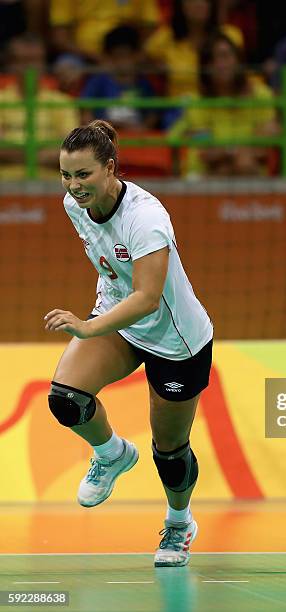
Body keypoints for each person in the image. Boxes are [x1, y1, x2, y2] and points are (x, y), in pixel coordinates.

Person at [44, 120, 213, 567]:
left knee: (170, 452)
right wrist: (97, 322)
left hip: (176, 340)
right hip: (119, 321)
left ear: (110, 169)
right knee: (67, 400)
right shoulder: (72, 205)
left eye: (84, 175)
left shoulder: (147, 217)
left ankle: (179, 524)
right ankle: (112, 454)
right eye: (66, 175)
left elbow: (147, 297)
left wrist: (86, 327)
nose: (74, 186)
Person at [169, 32, 278, 177]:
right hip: (206, 173)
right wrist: (234, 151)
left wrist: (229, 152)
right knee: (225, 168)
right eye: (212, 60)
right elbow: (206, 153)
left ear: (238, 60)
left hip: (252, 168)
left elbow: (268, 139)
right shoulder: (197, 102)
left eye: (225, 56)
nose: (220, 64)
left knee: (244, 164)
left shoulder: (260, 94)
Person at [0, 34, 79, 180]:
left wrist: (20, 154)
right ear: (11, 65)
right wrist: (40, 155)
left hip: (52, 185)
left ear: (43, 64)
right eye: (22, 61)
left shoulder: (62, 102)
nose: (29, 67)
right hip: (5, 184)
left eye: (35, 60)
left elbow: (70, 149)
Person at [80, 25, 159, 130]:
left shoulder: (143, 84)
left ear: (136, 56)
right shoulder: (97, 83)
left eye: (127, 56)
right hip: (104, 140)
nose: (122, 62)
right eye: (117, 56)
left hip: (136, 140)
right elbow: (86, 114)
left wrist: (142, 128)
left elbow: (153, 115)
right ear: (108, 57)